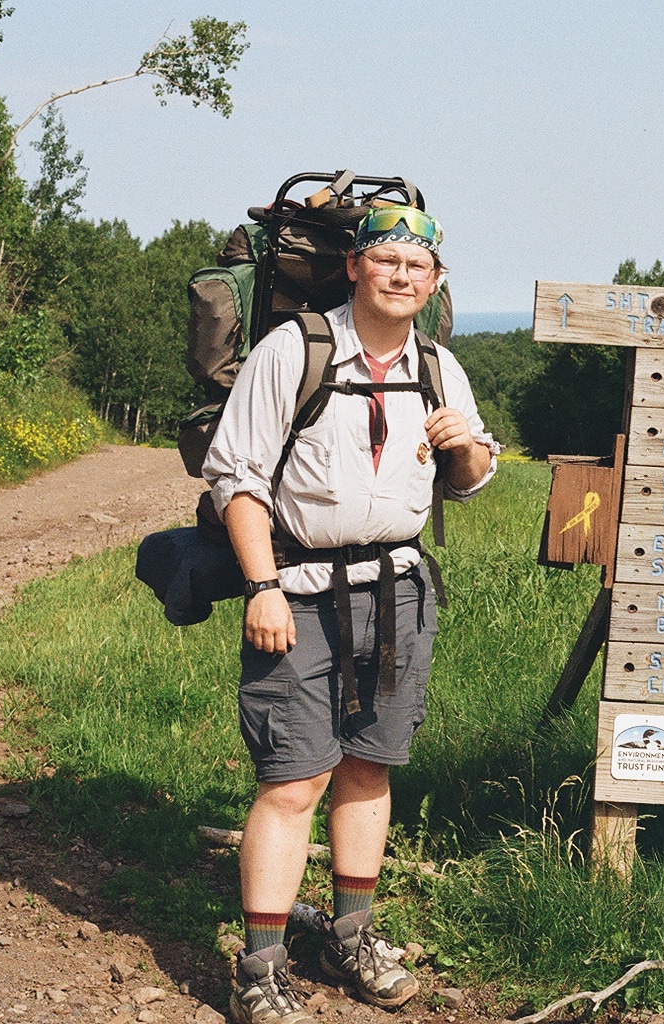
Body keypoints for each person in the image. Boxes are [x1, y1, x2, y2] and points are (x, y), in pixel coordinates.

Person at [201, 205, 497, 1020]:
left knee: (370, 766)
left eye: (417, 265)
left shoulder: (437, 364)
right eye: (386, 260)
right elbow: (237, 477)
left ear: (435, 282)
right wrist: (261, 587)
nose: (401, 276)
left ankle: (350, 936)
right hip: (296, 589)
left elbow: (471, 479)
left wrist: (463, 445)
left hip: (399, 590)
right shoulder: (292, 349)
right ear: (354, 267)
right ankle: (260, 970)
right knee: (293, 779)